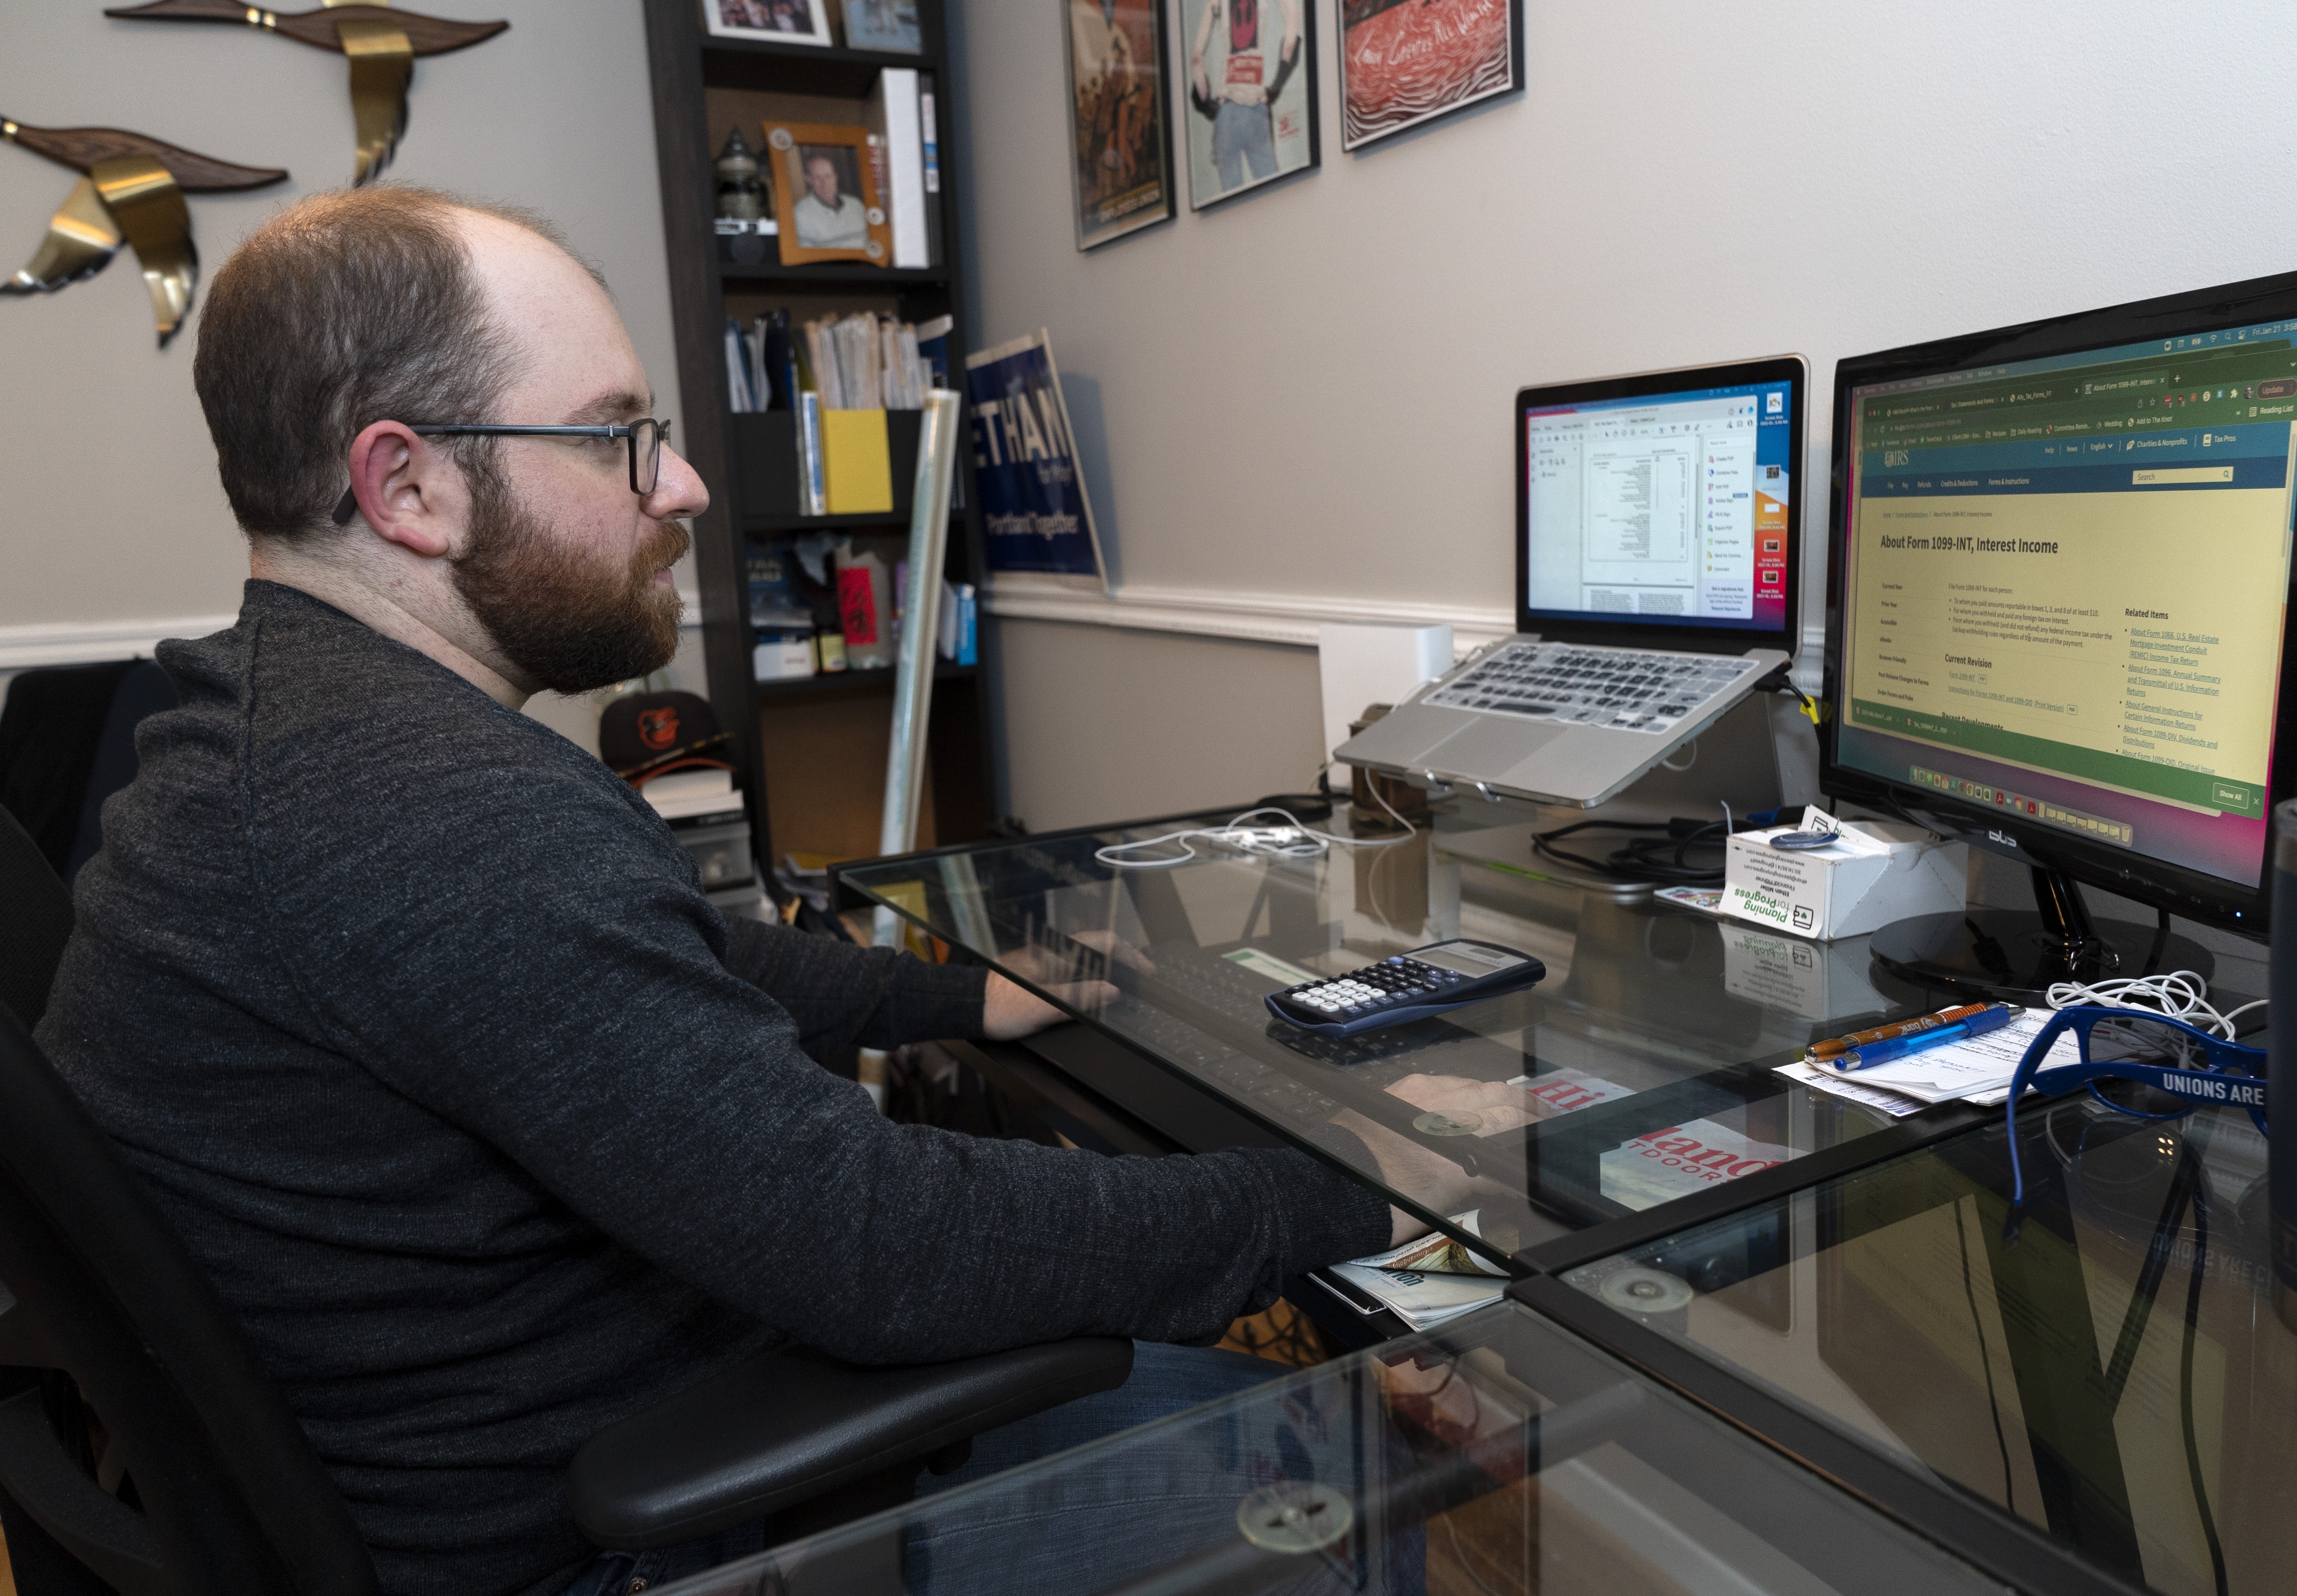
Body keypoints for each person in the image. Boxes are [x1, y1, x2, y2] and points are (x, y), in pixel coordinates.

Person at [34, 185, 1482, 1596]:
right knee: (1339, 1445)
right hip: (613, 1532)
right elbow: (878, 1244)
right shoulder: (429, 810)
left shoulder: (278, 727)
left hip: (501, 1445)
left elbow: (643, 961)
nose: (683, 484)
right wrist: (1339, 1186)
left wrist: (944, 993)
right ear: (406, 485)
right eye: (617, 437)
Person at [1188, 0, 1304, 194]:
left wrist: (1208, 104)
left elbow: (1197, 60)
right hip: (1256, 107)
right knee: (1273, 197)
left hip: (1226, 111)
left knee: (1232, 208)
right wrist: (1276, 86)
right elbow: (1294, 20)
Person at [792, 151, 867, 249]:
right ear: (809, 180)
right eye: (818, 178)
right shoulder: (800, 214)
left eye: (828, 176)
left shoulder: (857, 205)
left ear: (836, 177)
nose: (825, 183)